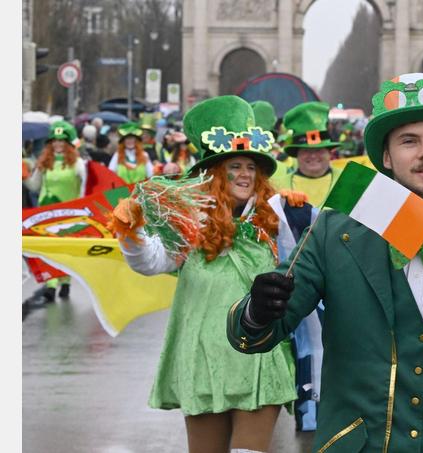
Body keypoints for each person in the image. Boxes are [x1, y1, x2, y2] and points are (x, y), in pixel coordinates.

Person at [227, 73, 423, 452]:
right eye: (409, 141)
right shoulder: (333, 234)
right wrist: (257, 312)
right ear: (387, 158)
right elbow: (258, 334)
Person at [110, 96, 301, 453]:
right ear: (214, 172)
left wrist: (302, 219)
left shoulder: (276, 219)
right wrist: (130, 231)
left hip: (259, 356)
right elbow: (150, 262)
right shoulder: (190, 222)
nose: (245, 174)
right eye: (234, 166)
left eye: (251, 166)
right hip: (203, 360)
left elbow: (308, 270)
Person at [23, 121, 87, 302]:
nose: (58, 144)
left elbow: (85, 187)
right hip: (45, 213)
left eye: (61, 140)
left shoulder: (78, 164)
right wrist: (24, 175)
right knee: (48, 249)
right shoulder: (44, 162)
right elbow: (34, 186)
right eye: (54, 140)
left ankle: (65, 281)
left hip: (68, 213)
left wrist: (82, 209)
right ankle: (51, 285)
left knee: (64, 250)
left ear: (67, 143)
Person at [270, 101, 343, 207]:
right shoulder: (276, 187)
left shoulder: (348, 180)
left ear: (329, 152)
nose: (313, 156)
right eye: (306, 150)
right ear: (297, 154)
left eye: (318, 150)